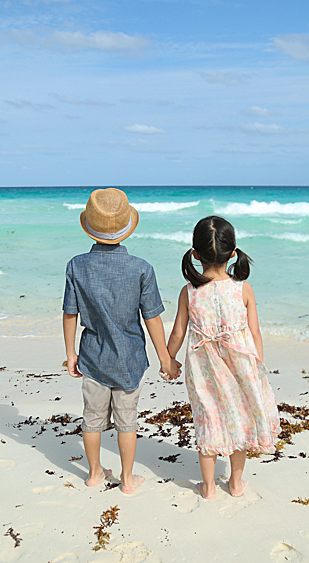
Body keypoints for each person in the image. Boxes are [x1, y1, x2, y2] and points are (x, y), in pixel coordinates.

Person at [63, 187, 181, 495]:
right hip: (130, 360)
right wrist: (165, 359)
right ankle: (128, 479)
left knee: (91, 419)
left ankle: (93, 474)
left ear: (90, 226)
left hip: (92, 357)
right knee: (127, 421)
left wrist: (70, 354)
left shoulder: (76, 266)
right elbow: (152, 318)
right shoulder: (141, 269)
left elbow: (69, 314)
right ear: (126, 228)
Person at [167, 215, 280, 499]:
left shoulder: (190, 292)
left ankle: (207, 487)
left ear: (195, 254)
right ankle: (236, 483)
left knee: (209, 420)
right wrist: (259, 368)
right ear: (233, 252)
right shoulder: (243, 289)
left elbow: (178, 332)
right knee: (240, 419)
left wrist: (168, 360)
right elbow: (255, 333)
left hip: (203, 369)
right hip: (241, 366)